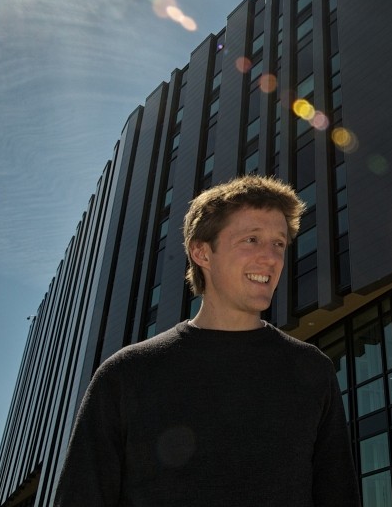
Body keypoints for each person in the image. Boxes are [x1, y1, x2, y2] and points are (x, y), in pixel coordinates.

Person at [54, 175, 359, 507]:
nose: (271, 258)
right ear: (201, 252)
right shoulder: (126, 375)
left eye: (279, 243)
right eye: (252, 239)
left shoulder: (312, 370)